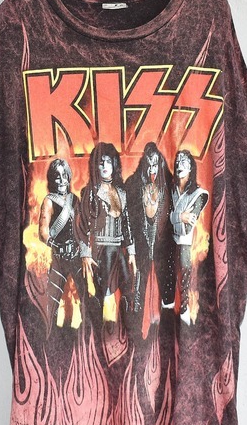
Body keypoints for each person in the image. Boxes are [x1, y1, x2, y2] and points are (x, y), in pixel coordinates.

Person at [77, 142, 137, 322]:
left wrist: (131, 252)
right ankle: (103, 327)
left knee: (128, 288)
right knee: (104, 293)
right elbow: (82, 225)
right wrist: (85, 254)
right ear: (95, 165)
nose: (104, 166)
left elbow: (126, 224)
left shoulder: (121, 192)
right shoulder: (89, 192)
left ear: (114, 164)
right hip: (100, 250)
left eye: (108, 162)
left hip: (118, 249)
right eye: (101, 162)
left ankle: (123, 325)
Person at [125, 142, 176, 336]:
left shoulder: (170, 185)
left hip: (164, 247)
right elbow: (127, 219)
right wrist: (131, 246)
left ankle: (168, 331)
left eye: (155, 164)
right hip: (141, 246)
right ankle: (136, 331)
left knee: (168, 291)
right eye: (149, 164)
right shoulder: (133, 184)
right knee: (138, 288)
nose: (152, 169)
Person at [38, 158, 85, 333]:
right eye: (57, 176)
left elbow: (82, 227)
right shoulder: (49, 201)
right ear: (52, 179)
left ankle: (85, 333)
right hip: (59, 257)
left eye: (64, 176)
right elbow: (43, 231)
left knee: (85, 295)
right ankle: (50, 334)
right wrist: (55, 245)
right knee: (53, 299)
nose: (61, 180)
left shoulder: (75, 200)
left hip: (77, 256)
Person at [170, 149, 209, 325]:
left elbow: (186, 227)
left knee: (184, 276)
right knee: (168, 279)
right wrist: (179, 216)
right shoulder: (170, 190)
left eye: (184, 161)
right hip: (168, 242)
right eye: (178, 161)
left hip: (185, 244)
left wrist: (172, 218)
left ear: (191, 167)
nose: (180, 165)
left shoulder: (199, 194)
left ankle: (184, 309)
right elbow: (162, 218)